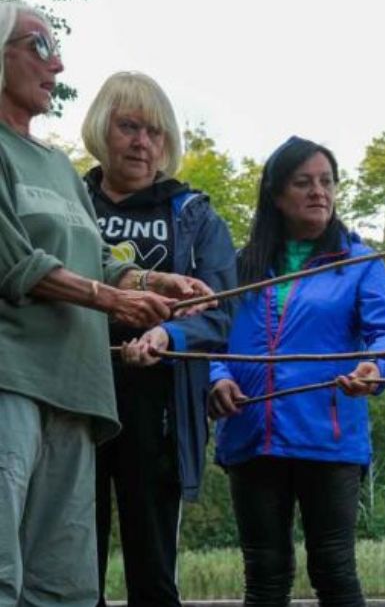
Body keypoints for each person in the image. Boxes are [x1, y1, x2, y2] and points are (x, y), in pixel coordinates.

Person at [0, 0, 213, 605]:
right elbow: (16, 263)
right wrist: (111, 300)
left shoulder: (59, 168)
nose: (58, 64)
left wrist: (150, 283)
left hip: (80, 394)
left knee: (64, 586)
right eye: (39, 46)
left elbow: (97, 256)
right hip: (12, 382)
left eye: (57, 49)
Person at [207, 135, 385, 606]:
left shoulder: (359, 263)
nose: (319, 191)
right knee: (264, 574)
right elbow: (209, 335)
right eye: (303, 182)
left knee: (334, 569)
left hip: (330, 438)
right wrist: (217, 375)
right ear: (277, 195)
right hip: (250, 434)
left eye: (327, 181)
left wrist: (376, 368)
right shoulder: (241, 267)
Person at [80, 71, 237, 606]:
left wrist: (167, 333)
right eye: (128, 126)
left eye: (155, 131)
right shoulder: (71, 201)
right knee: (74, 565)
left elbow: (222, 311)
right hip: (75, 400)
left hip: (161, 411)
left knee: (153, 571)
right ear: (103, 128)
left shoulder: (195, 215)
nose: (142, 142)